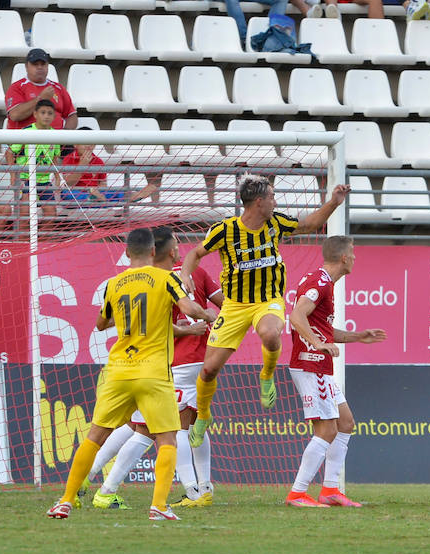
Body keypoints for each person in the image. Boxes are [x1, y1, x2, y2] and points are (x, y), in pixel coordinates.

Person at [46, 228, 218, 521]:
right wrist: (207, 315)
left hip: (118, 372)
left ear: (127, 253)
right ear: (154, 252)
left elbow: (101, 323)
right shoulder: (167, 279)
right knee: (167, 439)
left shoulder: (114, 283)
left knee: (95, 437)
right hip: (153, 373)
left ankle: (65, 500)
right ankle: (159, 506)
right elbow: (188, 306)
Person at [179, 176, 349, 446]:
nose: (275, 200)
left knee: (271, 333)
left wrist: (334, 203)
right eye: (271, 196)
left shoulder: (276, 222)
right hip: (234, 306)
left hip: (267, 299)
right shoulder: (225, 230)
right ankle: (203, 415)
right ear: (258, 202)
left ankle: (267, 374)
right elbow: (195, 254)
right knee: (208, 370)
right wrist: (186, 274)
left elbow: (312, 223)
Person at [284, 236, 387, 508]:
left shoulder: (324, 282)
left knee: (345, 423)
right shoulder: (320, 282)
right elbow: (296, 316)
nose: (355, 257)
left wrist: (359, 337)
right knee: (327, 429)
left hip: (319, 364)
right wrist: (318, 344)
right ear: (343, 258)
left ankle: (330, 490)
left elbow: (324, 330)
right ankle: (297, 493)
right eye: (353, 253)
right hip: (310, 363)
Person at [59, 139, 157, 207]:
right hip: (77, 193)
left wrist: (99, 190)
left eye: (91, 143)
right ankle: (93, 198)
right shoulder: (69, 159)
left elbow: (103, 184)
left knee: (115, 191)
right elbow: (69, 184)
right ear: (75, 145)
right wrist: (82, 166)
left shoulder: (98, 161)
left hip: (97, 192)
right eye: (85, 143)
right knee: (66, 193)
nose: (89, 146)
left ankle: (133, 195)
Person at [8, 98, 60, 218]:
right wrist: (13, 175)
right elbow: (10, 152)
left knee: (51, 214)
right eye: (43, 112)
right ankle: (22, 238)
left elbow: (55, 158)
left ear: (54, 116)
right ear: (35, 114)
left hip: (44, 181)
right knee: (25, 214)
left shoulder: (56, 135)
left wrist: (57, 177)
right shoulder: (26, 132)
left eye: (50, 113)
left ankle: (44, 238)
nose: (46, 116)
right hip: (25, 179)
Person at [5, 48, 77, 130]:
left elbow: (71, 115)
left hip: (55, 140)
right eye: (35, 64)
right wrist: (41, 98)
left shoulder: (58, 88)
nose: (39, 67)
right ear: (26, 66)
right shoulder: (17, 87)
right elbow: (15, 115)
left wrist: (65, 137)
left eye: (43, 64)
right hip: (25, 139)